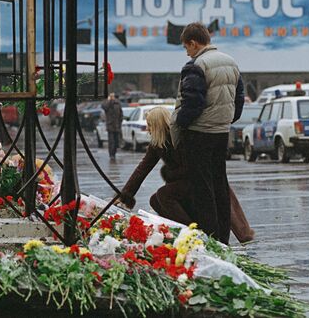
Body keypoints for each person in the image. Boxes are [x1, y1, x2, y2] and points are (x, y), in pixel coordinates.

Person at [117, 107, 254, 243]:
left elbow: (195, 164)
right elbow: (142, 169)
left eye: (150, 125)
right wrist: (125, 195)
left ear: (158, 125)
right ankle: (189, 227)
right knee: (155, 200)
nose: (148, 129)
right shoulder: (157, 143)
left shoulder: (181, 135)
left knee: (164, 195)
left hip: (198, 178)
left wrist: (173, 175)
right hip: (185, 181)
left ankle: (193, 232)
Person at [170, 22, 245, 244]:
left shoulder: (196, 66)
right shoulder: (231, 62)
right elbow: (239, 98)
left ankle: (210, 239)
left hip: (199, 133)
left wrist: (180, 125)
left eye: (186, 47)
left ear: (193, 43)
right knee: (220, 184)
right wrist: (227, 119)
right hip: (221, 132)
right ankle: (223, 237)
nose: (187, 52)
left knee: (202, 190)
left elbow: (192, 104)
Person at [101, 92, 123, 160]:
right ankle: (111, 155)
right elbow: (104, 107)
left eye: (113, 96)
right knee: (111, 141)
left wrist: (120, 122)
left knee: (116, 141)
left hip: (117, 125)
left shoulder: (118, 103)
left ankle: (114, 153)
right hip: (110, 125)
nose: (112, 97)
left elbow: (121, 114)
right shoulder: (107, 103)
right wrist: (109, 100)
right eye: (111, 96)